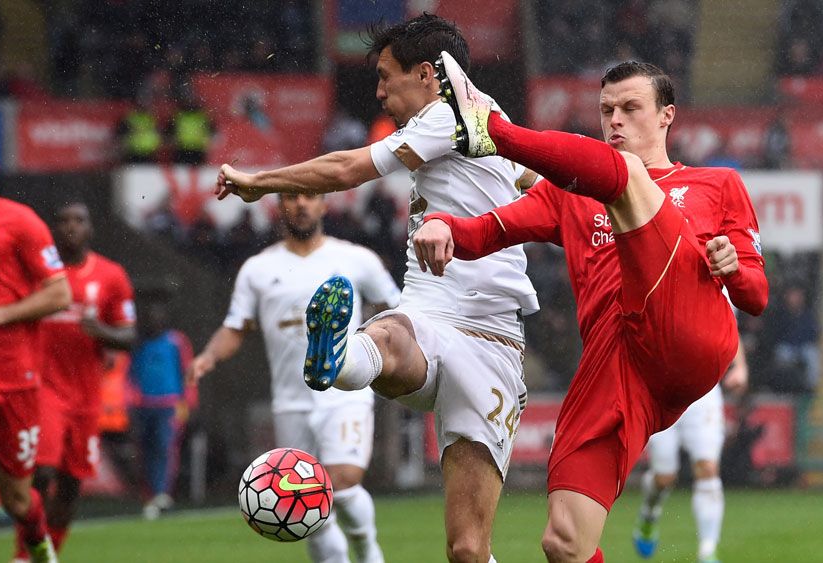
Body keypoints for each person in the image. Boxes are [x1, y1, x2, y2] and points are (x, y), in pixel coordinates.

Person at [214, 14, 539, 563]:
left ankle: (343, 359)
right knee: (389, 335)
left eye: (388, 77)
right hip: (432, 310)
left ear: (429, 75)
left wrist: (259, 181)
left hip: (491, 339)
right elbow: (541, 186)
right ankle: (337, 358)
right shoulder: (492, 120)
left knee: (467, 550)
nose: (380, 91)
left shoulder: (449, 115)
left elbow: (346, 170)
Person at [416, 57, 768, 562]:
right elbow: (495, 229)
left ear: (667, 115)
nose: (616, 120)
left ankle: (490, 130)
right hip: (616, 362)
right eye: (607, 110)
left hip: (688, 335)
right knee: (563, 543)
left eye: (630, 108)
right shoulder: (569, 194)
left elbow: (755, 297)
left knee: (622, 175)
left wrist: (732, 267)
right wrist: (448, 227)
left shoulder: (717, 184)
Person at [187, 192, 399, 563]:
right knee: (305, 503)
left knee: (342, 484)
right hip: (290, 402)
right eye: (291, 197)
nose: (301, 204)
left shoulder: (356, 259)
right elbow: (236, 327)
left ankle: (367, 549)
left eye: (310, 196)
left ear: (323, 205)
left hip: (344, 393)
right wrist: (207, 356)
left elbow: (396, 311)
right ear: (281, 207)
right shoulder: (257, 269)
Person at [13, 203, 136, 561]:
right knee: (41, 472)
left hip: (86, 397)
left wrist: (102, 332)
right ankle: (25, 553)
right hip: (43, 390)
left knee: (70, 483)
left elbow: (128, 336)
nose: (71, 227)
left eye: (79, 220)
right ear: (53, 230)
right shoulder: (39, 276)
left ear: (90, 229)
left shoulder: (111, 276)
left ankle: (48, 554)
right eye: (63, 220)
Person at [0, 129, 71, 562]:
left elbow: (59, 294)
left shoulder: (20, 221)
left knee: (18, 500)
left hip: (15, 382)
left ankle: (38, 543)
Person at [632, 341, 749, 563]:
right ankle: (649, 513)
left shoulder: (719, 302)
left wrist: (740, 367)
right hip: (660, 389)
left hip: (703, 392)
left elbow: (729, 326)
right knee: (665, 477)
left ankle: (708, 552)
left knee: (708, 467)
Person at [129, 291, 195, 519]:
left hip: (169, 405)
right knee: (144, 451)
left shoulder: (176, 341)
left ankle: (163, 494)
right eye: (150, 317)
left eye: (158, 316)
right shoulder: (137, 343)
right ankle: (149, 496)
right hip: (142, 405)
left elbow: (187, 372)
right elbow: (130, 374)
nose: (153, 321)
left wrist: (188, 403)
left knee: (164, 448)